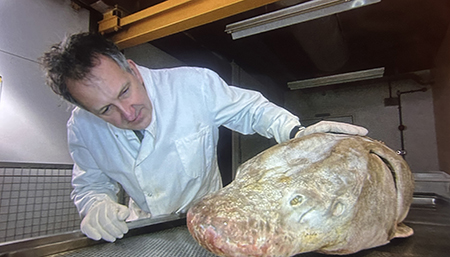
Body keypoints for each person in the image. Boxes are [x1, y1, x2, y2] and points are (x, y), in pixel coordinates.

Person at [41, 32, 368, 243]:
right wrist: (96, 205)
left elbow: (250, 110)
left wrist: (297, 132)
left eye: (125, 91)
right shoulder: (81, 128)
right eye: (105, 110)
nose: (128, 113)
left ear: (133, 69)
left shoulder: (192, 85)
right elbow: (90, 184)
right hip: (143, 230)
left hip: (210, 220)